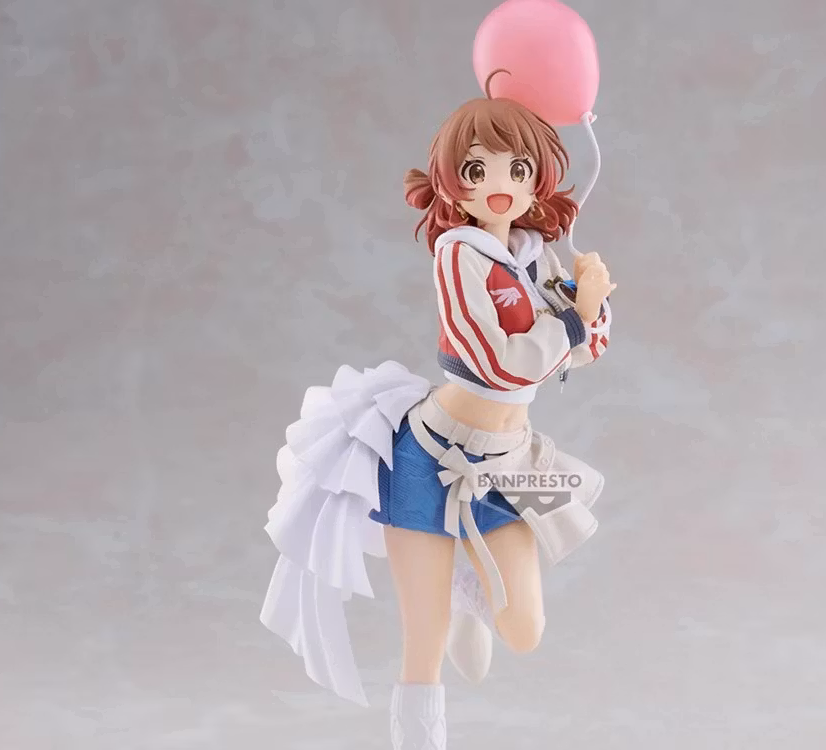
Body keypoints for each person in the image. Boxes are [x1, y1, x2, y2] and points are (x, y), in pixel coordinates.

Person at [260, 70, 616, 750]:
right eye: (478, 169)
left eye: (517, 168)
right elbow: (502, 361)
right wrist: (578, 316)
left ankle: (466, 592)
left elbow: (583, 352)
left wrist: (589, 308)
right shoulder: (458, 257)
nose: (499, 184)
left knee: (525, 631)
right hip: (430, 457)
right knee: (422, 644)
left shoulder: (537, 257)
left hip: (508, 463)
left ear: (538, 177)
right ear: (455, 181)